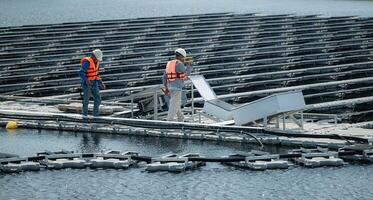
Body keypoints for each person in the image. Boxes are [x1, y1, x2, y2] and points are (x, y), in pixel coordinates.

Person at [162, 48, 192, 122]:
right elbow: (186, 74)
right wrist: (189, 65)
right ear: (182, 56)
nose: (184, 59)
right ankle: (169, 120)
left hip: (170, 87)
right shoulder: (180, 64)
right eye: (184, 57)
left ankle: (181, 118)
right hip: (177, 87)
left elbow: (164, 77)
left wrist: (165, 87)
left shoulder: (169, 64)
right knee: (173, 104)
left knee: (176, 103)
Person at [79, 49, 106, 117]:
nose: (98, 60)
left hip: (94, 82)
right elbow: (81, 72)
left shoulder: (97, 63)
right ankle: (84, 115)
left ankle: (95, 114)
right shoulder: (87, 62)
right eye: (97, 58)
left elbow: (96, 74)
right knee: (86, 100)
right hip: (87, 83)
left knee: (98, 99)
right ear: (93, 56)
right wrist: (86, 80)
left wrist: (100, 83)